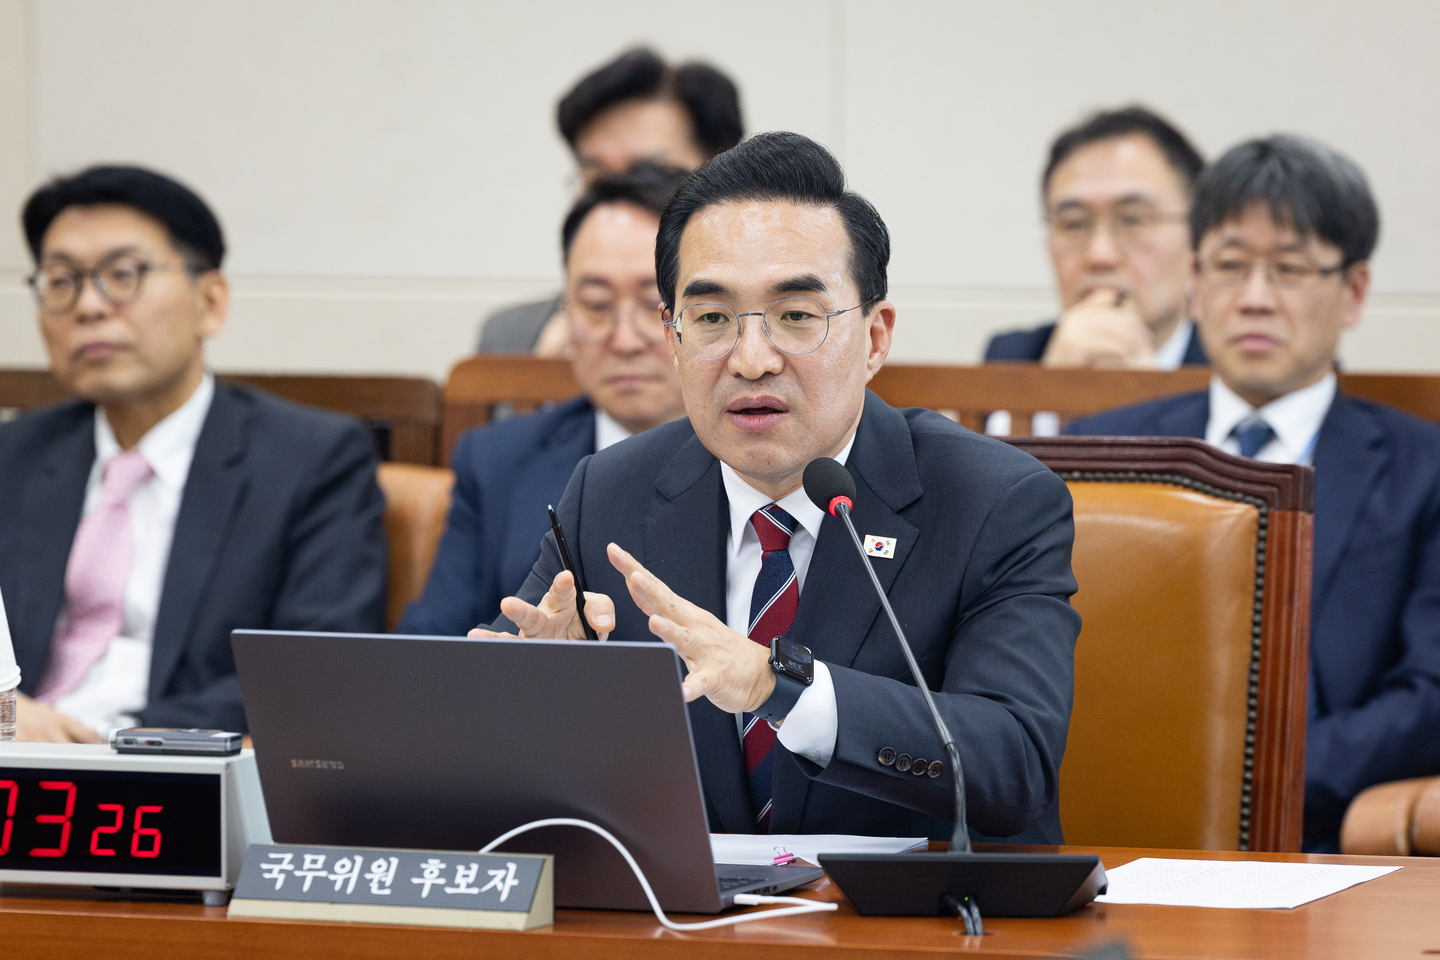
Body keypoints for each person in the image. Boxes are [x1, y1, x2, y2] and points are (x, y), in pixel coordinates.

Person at [475, 132, 1081, 841]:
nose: (752, 359)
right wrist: (530, 694)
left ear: (876, 338)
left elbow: (1013, 764)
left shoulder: (994, 501)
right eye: (711, 319)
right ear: (675, 338)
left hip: (909, 932)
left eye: (796, 316)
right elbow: (492, 748)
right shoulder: (610, 492)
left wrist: (778, 686)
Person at [1064, 135, 1440, 852]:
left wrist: (1246, 782)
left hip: (1322, 838)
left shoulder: (1425, 468)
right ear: (1196, 280)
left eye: (1291, 269)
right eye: (1232, 268)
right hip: (1110, 833)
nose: (1256, 298)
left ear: (1354, 291)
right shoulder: (1104, 449)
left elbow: (1430, 699)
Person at [0, 165, 387, 741]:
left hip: (170, 783)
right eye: (61, 280)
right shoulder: (14, 455)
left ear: (210, 301)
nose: (87, 306)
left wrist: (104, 739)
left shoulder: (313, 459)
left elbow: (318, 670)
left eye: (121, 274)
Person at [401, 164, 688, 634]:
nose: (624, 339)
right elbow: (428, 647)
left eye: (652, 304)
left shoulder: (761, 458)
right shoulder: (498, 460)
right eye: (596, 306)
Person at [480, 47, 744, 356]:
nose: (621, 202)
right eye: (598, 179)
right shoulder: (512, 340)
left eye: (648, 175)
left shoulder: (773, 333)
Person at [985, 106, 1207, 369]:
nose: (1100, 256)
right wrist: (1050, 393)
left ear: (1197, 239)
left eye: (1132, 220)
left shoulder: (1234, 371)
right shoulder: (1015, 357)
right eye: (1074, 224)